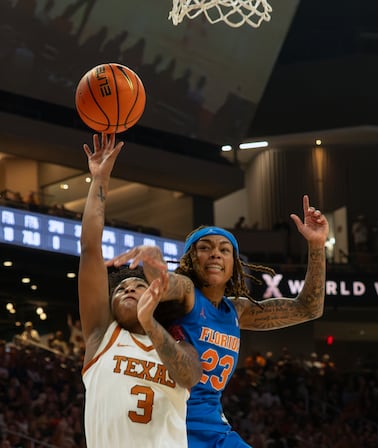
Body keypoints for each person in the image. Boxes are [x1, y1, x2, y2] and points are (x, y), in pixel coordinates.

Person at [107, 195, 329, 447]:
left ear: (234, 265)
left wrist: (317, 244)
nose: (215, 254)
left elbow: (308, 308)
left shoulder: (238, 310)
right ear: (190, 259)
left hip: (215, 429)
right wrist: (154, 257)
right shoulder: (187, 291)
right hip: (175, 426)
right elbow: (163, 284)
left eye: (224, 250)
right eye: (205, 248)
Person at [78, 133, 202, 447]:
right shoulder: (100, 336)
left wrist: (150, 322)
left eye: (139, 285)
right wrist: (100, 181)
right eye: (121, 288)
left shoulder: (180, 346)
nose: (130, 288)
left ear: (156, 299)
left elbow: (189, 377)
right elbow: (91, 248)